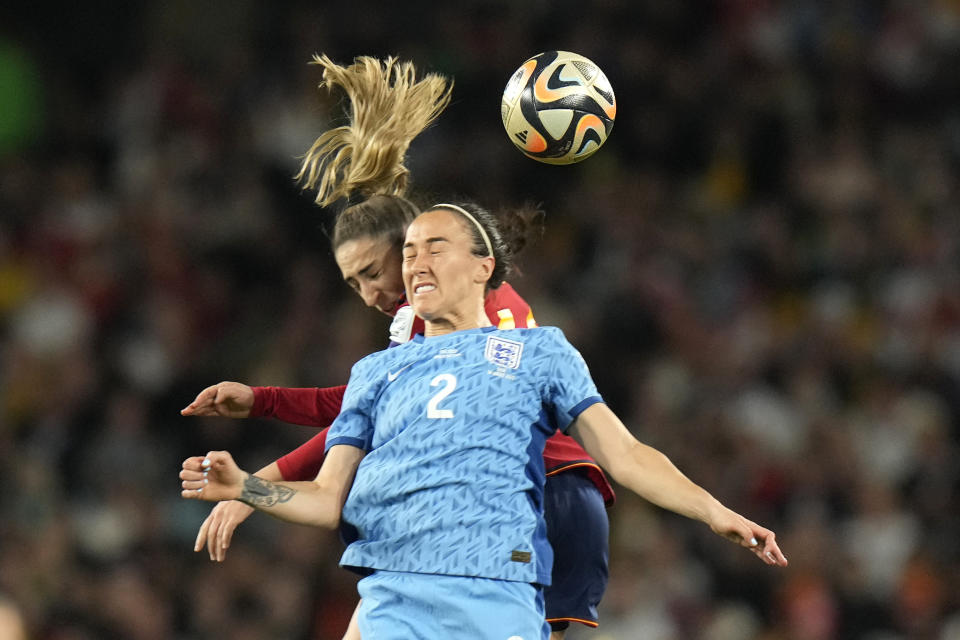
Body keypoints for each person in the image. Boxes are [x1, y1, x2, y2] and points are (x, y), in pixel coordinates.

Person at [180, 202, 789, 640]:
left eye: (433, 247)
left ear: (483, 267)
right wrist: (246, 487)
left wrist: (716, 512)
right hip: (393, 587)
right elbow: (324, 501)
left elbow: (625, 454)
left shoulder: (539, 349)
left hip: (495, 583)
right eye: (408, 251)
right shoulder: (377, 369)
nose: (413, 262)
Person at [181, 55, 613, 638]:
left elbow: (458, 410)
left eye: (371, 272)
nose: (367, 294)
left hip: (540, 500)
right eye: (351, 284)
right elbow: (362, 412)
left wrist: (255, 474)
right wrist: (261, 407)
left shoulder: (489, 307)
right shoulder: (415, 331)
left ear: (405, 247)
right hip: (471, 527)